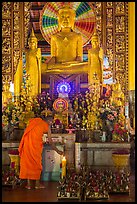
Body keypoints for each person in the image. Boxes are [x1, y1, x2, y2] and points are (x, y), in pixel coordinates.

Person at [18, 115, 64, 189]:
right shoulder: (46, 126)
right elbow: (50, 141)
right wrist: (57, 150)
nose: (52, 123)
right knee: (36, 163)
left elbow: (26, 131)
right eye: (52, 122)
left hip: (27, 145)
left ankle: (29, 184)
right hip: (35, 147)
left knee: (27, 163)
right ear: (49, 121)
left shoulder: (34, 122)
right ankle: (37, 183)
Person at [44, 5, 88, 74]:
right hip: (59, 65)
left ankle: (63, 69)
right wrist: (50, 65)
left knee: (88, 66)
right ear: (58, 20)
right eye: (62, 17)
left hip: (73, 65)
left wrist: (77, 64)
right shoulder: (54, 37)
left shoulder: (77, 36)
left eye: (68, 17)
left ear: (73, 19)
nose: (65, 19)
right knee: (42, 67)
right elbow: (53, 57)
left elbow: (79, 57)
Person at [14, 28, 41, 98]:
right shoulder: (26, 51)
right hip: (27, 70)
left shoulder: (37, 51)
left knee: (33, 85)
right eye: (30, 42)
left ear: (36, 43)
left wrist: (38, 58)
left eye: (33, 42)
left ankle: (34, 97)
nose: (32, 43)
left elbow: (39, 62)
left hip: (34, 71)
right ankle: (25, 97)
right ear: (28, 43)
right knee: (26, 83)